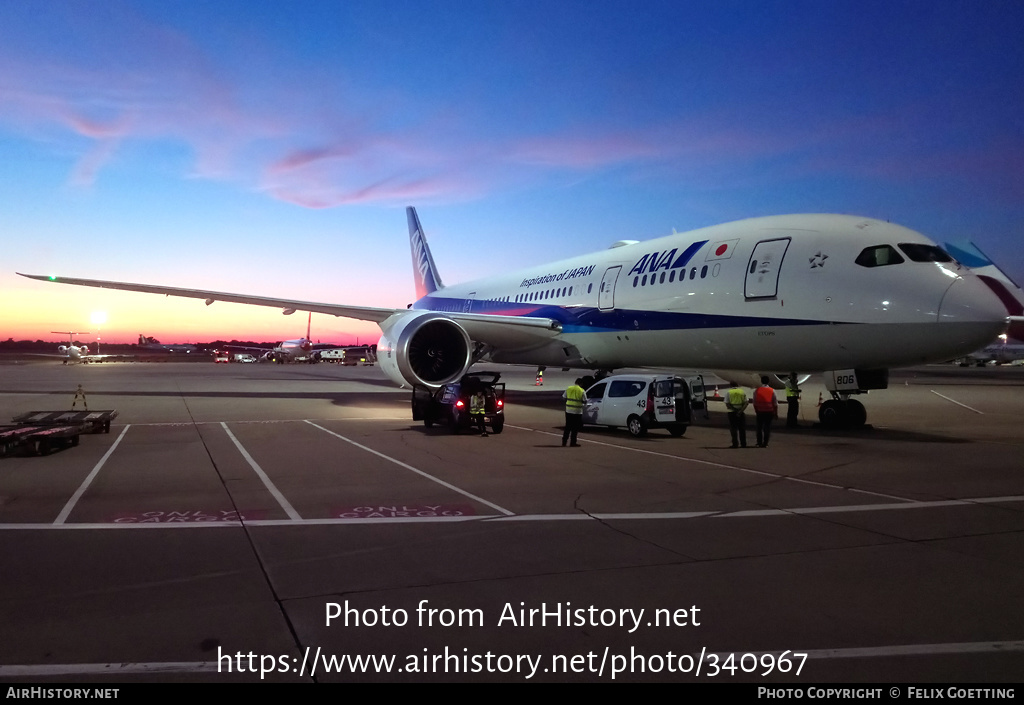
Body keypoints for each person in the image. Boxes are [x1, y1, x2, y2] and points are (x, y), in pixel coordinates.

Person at [753, 375, 779, 447]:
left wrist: (756, 411)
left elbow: (754, 403)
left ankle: (759, 442)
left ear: (761, 381)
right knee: (767, 428)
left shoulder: (757, 390)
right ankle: (765, 443)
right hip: (769, 412)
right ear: (768, 382)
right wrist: (775, 413)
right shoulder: (772, 390)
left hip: (760, 411)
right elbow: (775, 403)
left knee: (759, 428)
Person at [562, 378, 587, 447]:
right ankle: (573, 442)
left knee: (567, 427)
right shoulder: (582, 390)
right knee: (575, 428)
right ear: (581, 384)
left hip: (568, 410)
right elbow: (585, 400)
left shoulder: (569, 388)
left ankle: (564, 442)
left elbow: (564, 397)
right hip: (577, 412)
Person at [725, 382, 748, 448]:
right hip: (741, 412)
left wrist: (735, 410)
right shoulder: (742, 392)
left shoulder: (729, 392)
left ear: (730, 385)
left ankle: (735, 444)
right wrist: (740, 411)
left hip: (732, 412)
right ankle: (743, 444)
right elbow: (746, 403)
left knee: (733, 429)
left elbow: (727, 404)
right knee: (742, 429)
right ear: (737, 385)